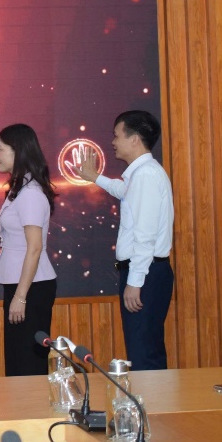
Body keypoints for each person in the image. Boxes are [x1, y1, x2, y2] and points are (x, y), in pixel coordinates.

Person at [77, 110, 174, 370]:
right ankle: (149, 397)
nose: (113, 142)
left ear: (134, 139)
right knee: (143, 347)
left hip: (145, 272)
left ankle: (151, 398)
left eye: (117, 136)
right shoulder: (141, 174)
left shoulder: (145, 176)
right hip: (147, 271)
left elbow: (145, 236)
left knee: (144, 352)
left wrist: (135, 281)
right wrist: (95, 177)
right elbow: (124, 191)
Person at [0, 124, 58, 376]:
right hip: (21, 284)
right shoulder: (19, 189)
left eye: (0, 149)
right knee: (17, 362)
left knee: (27, 364)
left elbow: (35, 247)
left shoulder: (30, 193)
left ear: (17, 151)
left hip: (31, 287)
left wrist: (21, 297)